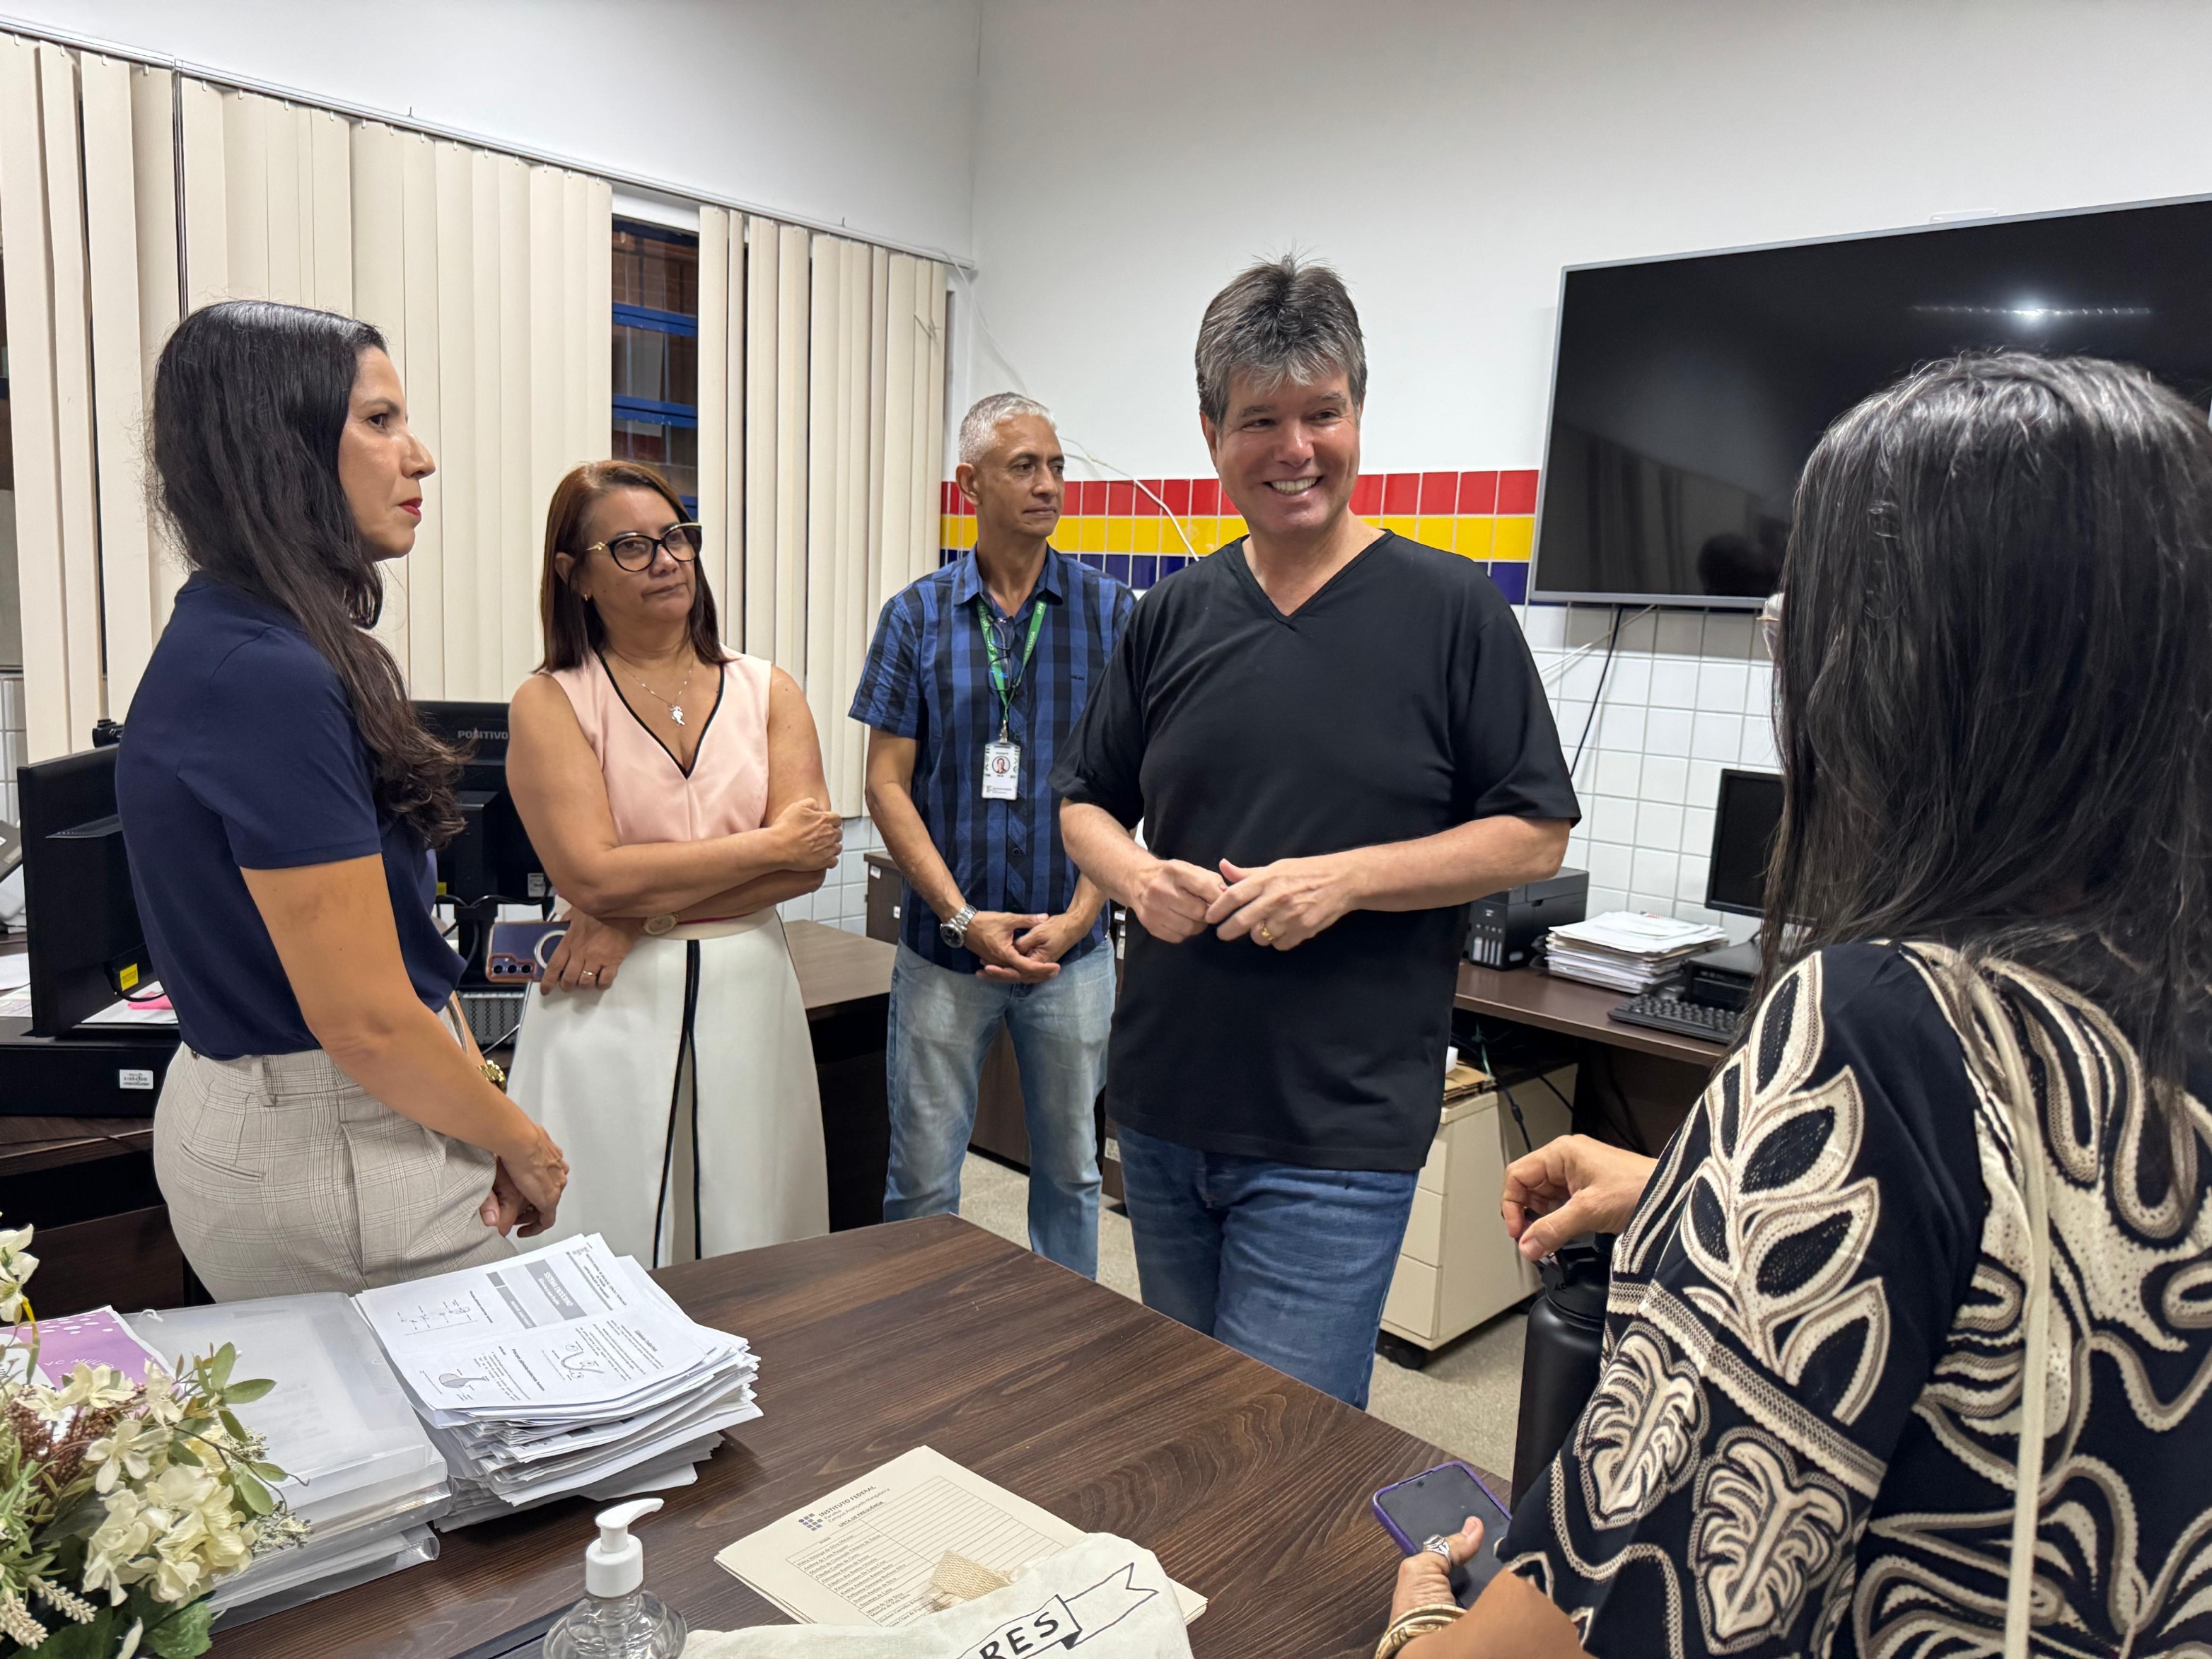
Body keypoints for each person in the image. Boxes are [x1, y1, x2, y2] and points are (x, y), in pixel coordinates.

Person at [1373, 353, 2212, 1659]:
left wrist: (1423, 1615)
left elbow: (1629, 1602)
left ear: (1889, 670)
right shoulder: (2159, 996)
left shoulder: (1884, 1030)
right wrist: (1700, 1196)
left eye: (1794, 619)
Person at [1052, 257, 1580, 1404]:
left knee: (1281, 1441)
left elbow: (1533, 832)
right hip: (1167, 1104)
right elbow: (1083, 800)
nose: (1295, 449)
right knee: (1184, 1415)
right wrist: (1136, 877)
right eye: (1260, 420)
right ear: (1211, 434)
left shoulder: (1451, 614)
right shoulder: (1170, 616)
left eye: (1321, 414)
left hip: (1335, 1126)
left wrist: (1345, 879)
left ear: (1358, 413)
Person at [118, 300, 568, 1298]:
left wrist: (475, 1108)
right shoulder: (263, 677)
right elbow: (364, 1018)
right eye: (379, 421)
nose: (421, 458)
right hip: (337, 1135)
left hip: (347, 1108)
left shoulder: (259, 641)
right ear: (278, 446)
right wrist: (523, 1141)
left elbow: (391, 985)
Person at [503, 460, 840, 1265]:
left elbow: (809, 867)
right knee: (604, 1231)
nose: (666, 560)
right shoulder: (551, 700)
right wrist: (766, 846)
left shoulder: (767, 689)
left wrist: (637, 913)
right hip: (604, 1002)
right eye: (630, 546)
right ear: (575, 576)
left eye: (677, 537)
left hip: (743, 989)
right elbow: (590, 877)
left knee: (755, 1226)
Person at [851, 394, 1131, 1276]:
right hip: (945, 952)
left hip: (1070, 952)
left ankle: (1064, 1337)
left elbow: (1128, 780)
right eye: (1024, 467)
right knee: (922, 1179)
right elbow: (884, 783)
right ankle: (914, 1330)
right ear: (970, 484)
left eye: (1056, 467)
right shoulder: (916, 616)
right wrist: (960, 916)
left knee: (1072, 1176)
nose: (1048, 485)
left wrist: (1083, 916)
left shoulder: (1110, 613)